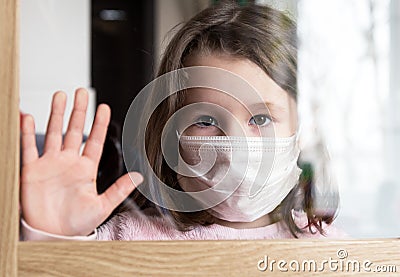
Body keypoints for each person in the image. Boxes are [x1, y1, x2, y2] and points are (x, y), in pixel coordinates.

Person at [20, 1, 345, 241]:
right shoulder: (130, 237)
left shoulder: (330, 248)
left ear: (302, 131)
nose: (234, 146)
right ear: (170, 135)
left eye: (260, 118)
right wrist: (53, 237)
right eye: (205, 120)